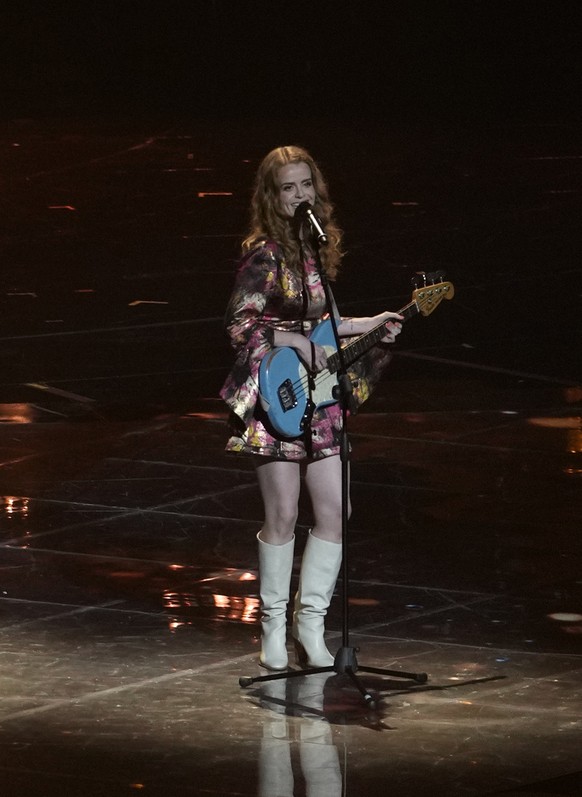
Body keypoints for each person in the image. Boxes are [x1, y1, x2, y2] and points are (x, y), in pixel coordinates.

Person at [220, 145, 402, 671]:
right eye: (289, 188)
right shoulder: (265, 255)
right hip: (276, 396)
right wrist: (293, 344)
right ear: (272, 197)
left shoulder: (313, 252)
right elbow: (239, 324)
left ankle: (311, 624)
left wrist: (370, 324)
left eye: (307, 186)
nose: (301, 196)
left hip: (317, 396)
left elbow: (321, 327)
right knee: (283, 514)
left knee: (335, 513)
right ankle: (272, 627)